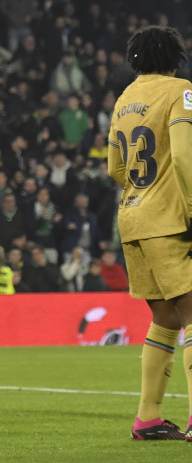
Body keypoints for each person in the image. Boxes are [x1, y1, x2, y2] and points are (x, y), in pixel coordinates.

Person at [106, 25, 192, 441]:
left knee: (165, 318)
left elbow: (114, 170)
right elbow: (183, 154)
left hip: (132, 217)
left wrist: (142, 190)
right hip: (169, 220)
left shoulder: (125, 99)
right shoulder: (179, 90)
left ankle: (148, 418)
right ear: (175, 58)